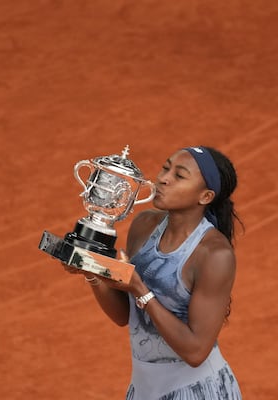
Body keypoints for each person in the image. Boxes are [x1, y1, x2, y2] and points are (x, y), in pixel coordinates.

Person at [63, 146, 243, 400]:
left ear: (205, 196)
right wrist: (91, 272)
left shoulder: (214, 254)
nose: (163, 178)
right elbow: (125, 315)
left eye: (179, 176)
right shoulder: (144, 225)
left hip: (198, 392)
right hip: (144, 390)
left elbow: (195, 352)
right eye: (166, 167)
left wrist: (140, 289)